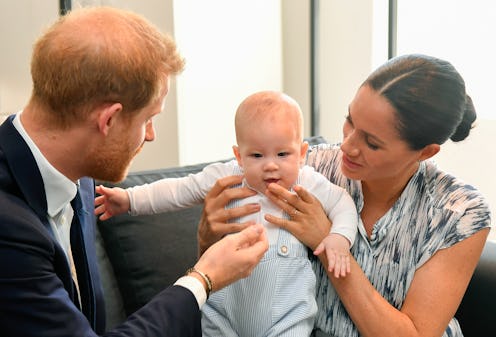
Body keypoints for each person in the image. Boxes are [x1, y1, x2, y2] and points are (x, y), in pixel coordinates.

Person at [0, 6, 268, 337]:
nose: (151, 135)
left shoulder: (80, 174)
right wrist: (203, 278)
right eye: (148, 119)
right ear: (108, 120)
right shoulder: (8, 227)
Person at [196, 54, 492, 337]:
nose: (347, 147)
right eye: (350, 121)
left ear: (425, 152)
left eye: (372, 143)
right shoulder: (307, 169)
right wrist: (207, 237)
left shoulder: (459, 212)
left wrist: (328, 243)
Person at [95, 90, 358, 336]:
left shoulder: (308, 182)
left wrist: (338, 239)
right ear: (239, 156)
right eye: (256, 155)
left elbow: (343, 204)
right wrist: (129, 199)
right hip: (224, 316)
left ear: (301, 153)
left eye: (282, 154)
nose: (270, 166)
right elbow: (178, 190)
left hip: (286, 319)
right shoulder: (227, 176)